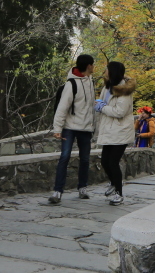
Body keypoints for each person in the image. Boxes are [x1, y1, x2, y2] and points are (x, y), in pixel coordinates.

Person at [49, 54, 96, 204]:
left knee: (85, 159)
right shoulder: (71, 84)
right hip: (70, 127)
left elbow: (91, 107)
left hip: (86, 128)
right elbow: (62, 108)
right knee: (64, 157)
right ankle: (57, 191)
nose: (94, 67)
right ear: (88, 66)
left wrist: (94, 126)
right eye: (93, 64)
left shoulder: (91, 81)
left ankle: (82, 187)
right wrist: (57, 128)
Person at [94, 61, 136, 205]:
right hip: (109, 129)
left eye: (107, 69)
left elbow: (120, 112)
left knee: (113, 162)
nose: (105, 71)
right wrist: (100, 103)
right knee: (104, 161)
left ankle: (119, 193)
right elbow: (105, 102)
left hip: (121, 130)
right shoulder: (108, 86)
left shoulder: (124, 91)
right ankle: (113, 182)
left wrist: (101, 107)